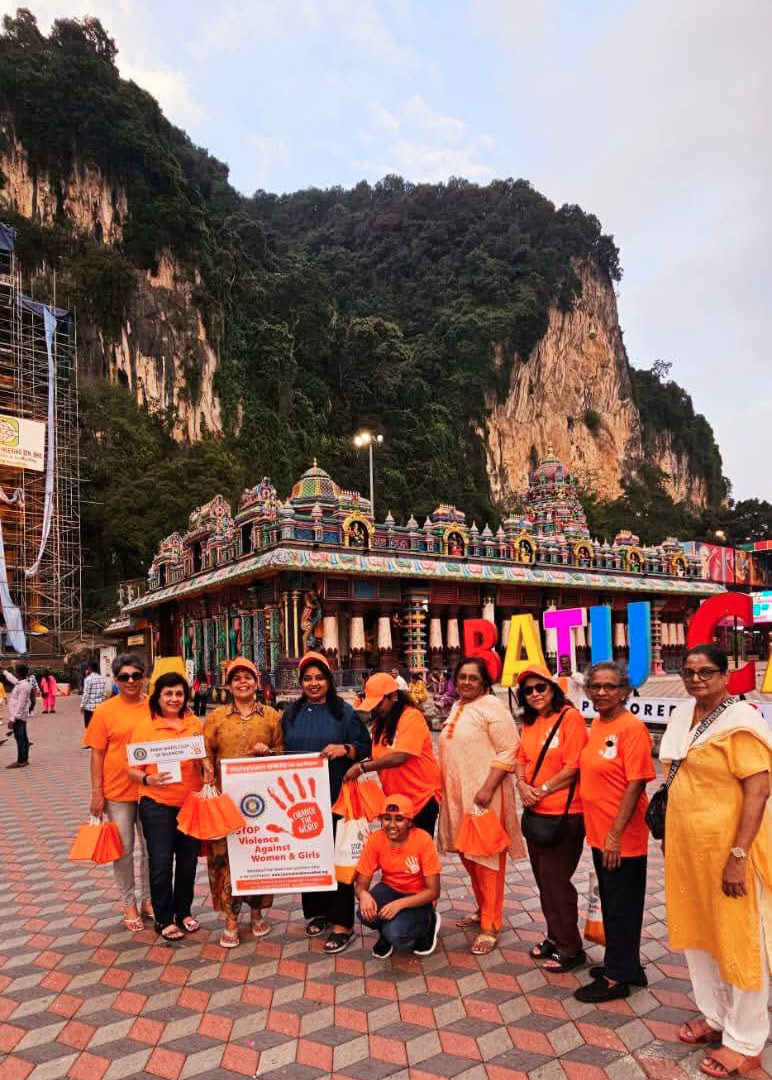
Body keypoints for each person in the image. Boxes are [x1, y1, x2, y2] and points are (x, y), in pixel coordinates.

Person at [660, 646, 771, 1077]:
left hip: (731, 852)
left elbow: (758, 792)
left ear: (726, 677)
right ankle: (716, 1018)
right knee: (700, 936)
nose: (696, 679)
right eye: (688, 672)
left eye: (706, 672)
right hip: (689, 853)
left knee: (739, 940)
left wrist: (738, 857)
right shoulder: (683, 715)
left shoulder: (741, 722)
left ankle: (745, 1042)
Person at [282, 651, 371, 954]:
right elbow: (282, 750)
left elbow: (364, 747)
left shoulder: (343, 712)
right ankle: (318, 912)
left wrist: (344, 748)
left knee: (339, 859)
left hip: (336, 796)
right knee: (310, 854)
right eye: (307, 678)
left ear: (329, 680)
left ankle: (342, 924)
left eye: (319, 677)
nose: (313, 683)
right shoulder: (292, 713)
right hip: (302, 799)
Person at [576, 661, 655, 1002]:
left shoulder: (631, 728)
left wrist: (615, 835)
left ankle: (616, 978)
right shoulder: (599, 723)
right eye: (596, 687)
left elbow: (636, 782)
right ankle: (627, 965)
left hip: (621, 837)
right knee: (613, 901)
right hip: (600, 832)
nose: (602, 692)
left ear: (624, 691)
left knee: (621, 904)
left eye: (610, 686)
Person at [438, 656, 524, 955]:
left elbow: (509, 749)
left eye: (472, 678)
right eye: (461, 677)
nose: (465, 682)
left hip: (484, 796)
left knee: (487, 860)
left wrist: (488, 788)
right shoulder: (458, 706)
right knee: (468, 854)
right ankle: (482, 907)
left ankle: (490, 925)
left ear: (484, 681)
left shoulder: (493, 707)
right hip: (458, 796)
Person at [203, 658, 283, 948]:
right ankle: (230, 920)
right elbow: (205, 752)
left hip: (262, 802)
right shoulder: (216, 717)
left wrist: (269, 751)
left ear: (256, 682)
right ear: (228, 685)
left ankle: (257, 912)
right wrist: (208, 773)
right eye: (236, 678)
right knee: (226, 860)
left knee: (259, 854)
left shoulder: (272, 716)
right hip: (226, 800)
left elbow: (283, 753)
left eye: (247, 676)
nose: (242, 682)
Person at [515, 665, 588, 972]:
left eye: (540, 688)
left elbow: (573, 766)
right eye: (528, 691)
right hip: (536, 814)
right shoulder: (529, 723)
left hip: (565, 814)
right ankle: (554, 936)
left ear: (553, 689)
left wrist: (541, 789)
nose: (534, 695)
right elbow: (520, 759)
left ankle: (572, 947)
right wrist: (522, 785)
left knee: (558, 882)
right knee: (543, 881)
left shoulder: (569, 718)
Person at [128, 672, 203, 941]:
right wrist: (148, 778)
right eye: (168, 694)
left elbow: (204, 758)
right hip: (157, 804)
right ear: (158, 697)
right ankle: (163, 917)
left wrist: (202, 763)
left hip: (191, 804)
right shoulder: (145, 726)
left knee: (188, 862)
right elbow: (132, 769)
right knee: (160, 862)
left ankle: (184, 911)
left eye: (179, 694)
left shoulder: (194, 723)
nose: (174, 699)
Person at [82, 654, 152, 931]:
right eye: (125, 677)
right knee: (123, 850)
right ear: (116, 679)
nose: (131, 681)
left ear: (144, 676)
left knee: (152, 849)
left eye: (136, 675)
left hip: (150, 789)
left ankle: (149, 899)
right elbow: (97, 754)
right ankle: (128, 902)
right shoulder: (105, 711)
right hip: (117, 792)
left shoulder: (154, 706)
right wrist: (96, 793)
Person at [344, 672, 441, 835]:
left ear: (394, 696)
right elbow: (377, 755)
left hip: (421, 799)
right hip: (396, 801)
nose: (375, 708)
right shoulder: (380, 722)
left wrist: (362, 768)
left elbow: (401, 756)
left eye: (379, 703)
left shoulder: (411, 717)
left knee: (416, 855)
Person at [355, 793, 442, 958]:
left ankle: (428, 925)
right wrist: (364, 895)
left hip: (419, 896)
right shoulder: (376, 839)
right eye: (387, 818)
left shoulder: (423, 840)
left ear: (410, 822)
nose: (392, 825)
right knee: (363, 912)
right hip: (391, 888)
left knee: (396, 933)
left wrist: (398, 905)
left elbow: (433, 891)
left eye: (399, 819)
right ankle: (386, 933)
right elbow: (361, 883)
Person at [5, 662, 32, 769]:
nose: (14, 673)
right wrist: (4, 672)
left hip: (18, 716)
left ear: (19, 673)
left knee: (20, 738)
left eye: (15, 671)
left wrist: (13, 719)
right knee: (23, 737)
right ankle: (24, 758)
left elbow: (21, 704)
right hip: (20, 716)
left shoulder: (24, 686)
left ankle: (21, 760)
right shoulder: (21, 683)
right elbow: (13, 679)